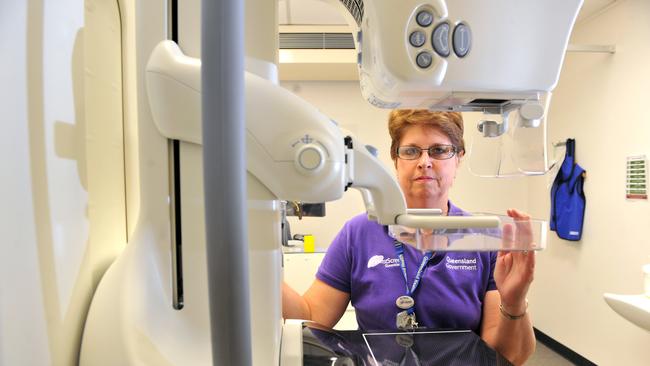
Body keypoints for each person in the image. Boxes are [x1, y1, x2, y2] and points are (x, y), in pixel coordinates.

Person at [283, 110, 536, 365]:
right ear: (395, 159)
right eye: (411, 151)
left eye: (438, 150)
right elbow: (311, 315)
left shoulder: (483, 238)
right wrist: (255, 262)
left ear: (458, 158)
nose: (424, 161)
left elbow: (506, 355)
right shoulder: (359, 233)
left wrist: (514, 302)